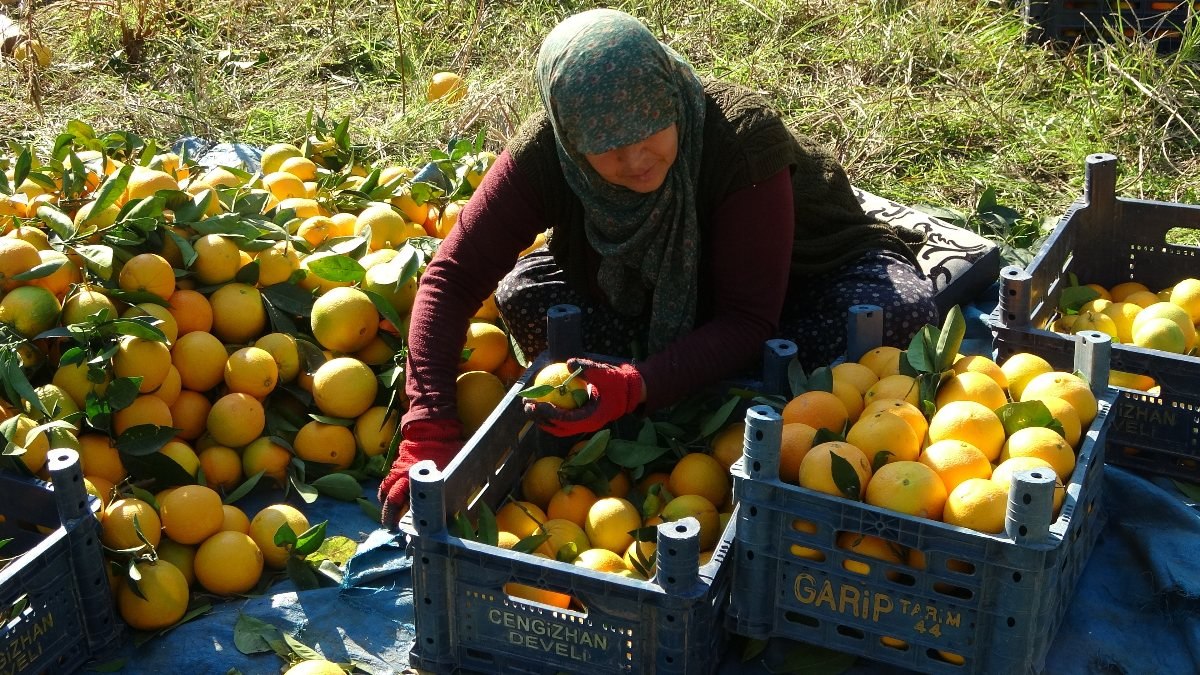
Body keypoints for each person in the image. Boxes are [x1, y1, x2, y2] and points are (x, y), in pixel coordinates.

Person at [378, 8, 938, 527]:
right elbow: (451, 280)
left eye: (650, 135)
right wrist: (427, 429)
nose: (636, 160)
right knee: (524, 295)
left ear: (671, 99)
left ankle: (685, 377)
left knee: (897, 315)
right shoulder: (548, 154)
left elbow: (747, 314)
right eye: (610, 149)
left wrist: (632, 385)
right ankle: (689, 375)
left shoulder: (741, 139)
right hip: (650, 289)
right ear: (572, 141)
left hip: (794, 279)